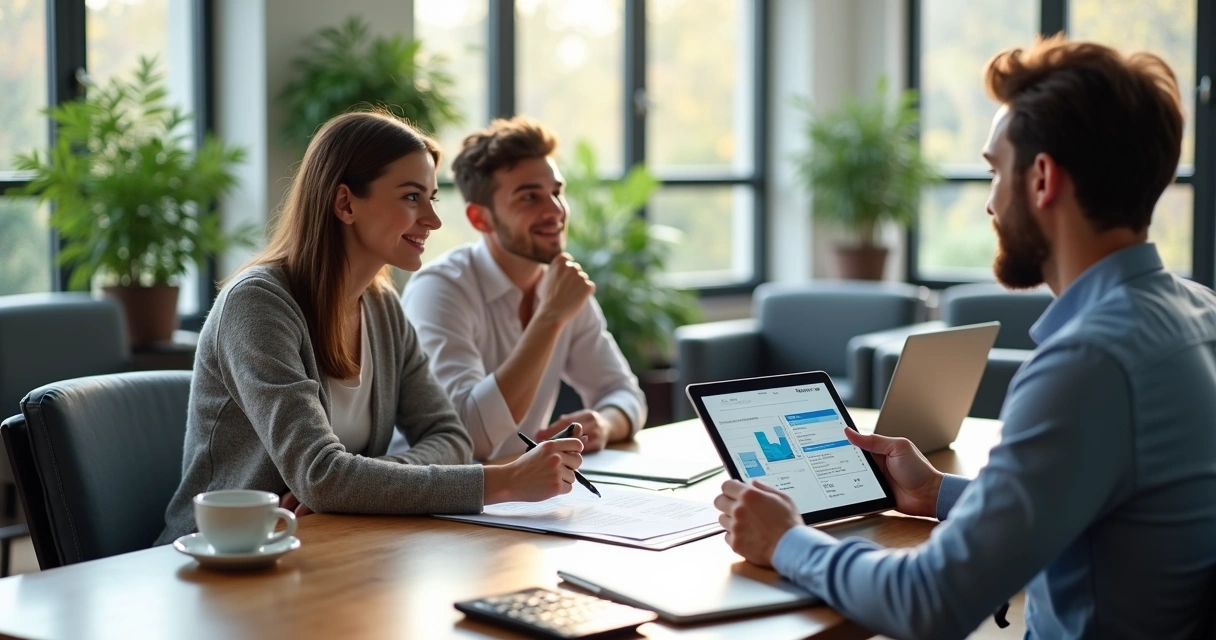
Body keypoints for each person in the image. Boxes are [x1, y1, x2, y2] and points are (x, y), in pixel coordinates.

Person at [713, 36, 1216, 639]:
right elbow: (1104, 497)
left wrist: (788, 541)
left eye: (993, 171)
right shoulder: (1199, 315)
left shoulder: (1088, 362)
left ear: (1042, 180)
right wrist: (936, 492)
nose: (989, 203)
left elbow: (930, 602)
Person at [157, 111, 585, 545]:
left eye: (432, 198)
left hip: (322, 544)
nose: (433, 221)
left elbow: (450, 436)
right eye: (411, 197)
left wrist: (352, 487)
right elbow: (321, 475)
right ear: (345, 203)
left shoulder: (382, 307)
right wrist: (504, 482)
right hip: (218, 556)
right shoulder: (258, 305)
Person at [397, 116, 646, 462]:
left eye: (556, 192)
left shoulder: (559, 284)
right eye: (529, 197)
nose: (555, 211)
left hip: (521, 495)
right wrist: (550, 317)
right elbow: (466, 438)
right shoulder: (440, 289)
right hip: (427, 497)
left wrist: (604, 422)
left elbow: (624, 393)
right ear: (480, 219)